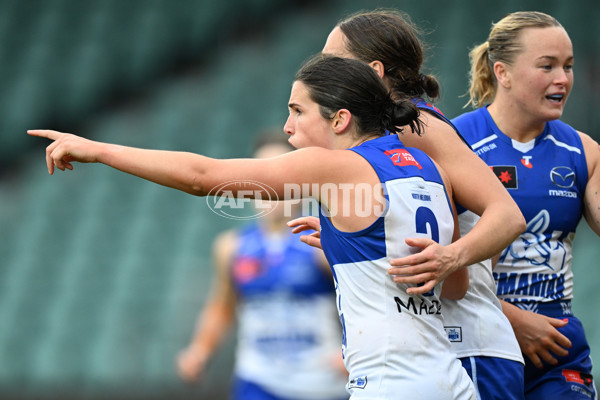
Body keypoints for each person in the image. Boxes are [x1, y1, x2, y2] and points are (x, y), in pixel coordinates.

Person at [29, 54, 476, 399]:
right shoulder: (427, 168)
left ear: (339, 120)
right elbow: (455, 285)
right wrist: (350, 245)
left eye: (298, 111)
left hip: (390, 381)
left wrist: (99, 150)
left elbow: (202, 177)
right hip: (448, 377)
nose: (288, 126)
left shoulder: (336, 166)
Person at [290, 9, 526, 399]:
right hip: (444, 348)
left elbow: (507, 215)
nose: (323, 67)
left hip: (465, 347)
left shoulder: (414, 129)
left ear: (374, 70)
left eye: (333, 58)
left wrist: (452, 257)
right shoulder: (392, 133)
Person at [452, 11, 600, 400]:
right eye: (547, 66)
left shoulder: (582, 150)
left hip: (557, 347)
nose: (563, 79)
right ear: (503, 73)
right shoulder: (453, 142)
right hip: (479, 339)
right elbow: (438, 258)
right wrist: (511, 318)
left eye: (568, 66)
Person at [176, 132, 348, 400]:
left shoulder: (323, 242)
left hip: (323, 384)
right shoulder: (231, 247)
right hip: (259, 382)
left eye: (278, 173)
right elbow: (222, 306)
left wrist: (352, 350)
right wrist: (200, 350)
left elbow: (366, 301)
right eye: (259, 175)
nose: (266, 186)